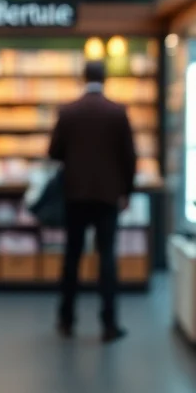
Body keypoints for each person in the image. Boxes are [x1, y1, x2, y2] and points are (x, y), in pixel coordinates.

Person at [48, 59, 136, 343]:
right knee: (107, 257)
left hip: (74, 194)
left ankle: (66, 320)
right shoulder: (117, 112)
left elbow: (54, 152)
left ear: (83, 78)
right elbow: (129, 157)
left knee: (71, 257)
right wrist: (127, 192)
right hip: (107, 195)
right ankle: (109, 324)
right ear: (105, 78)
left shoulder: (68, 111)